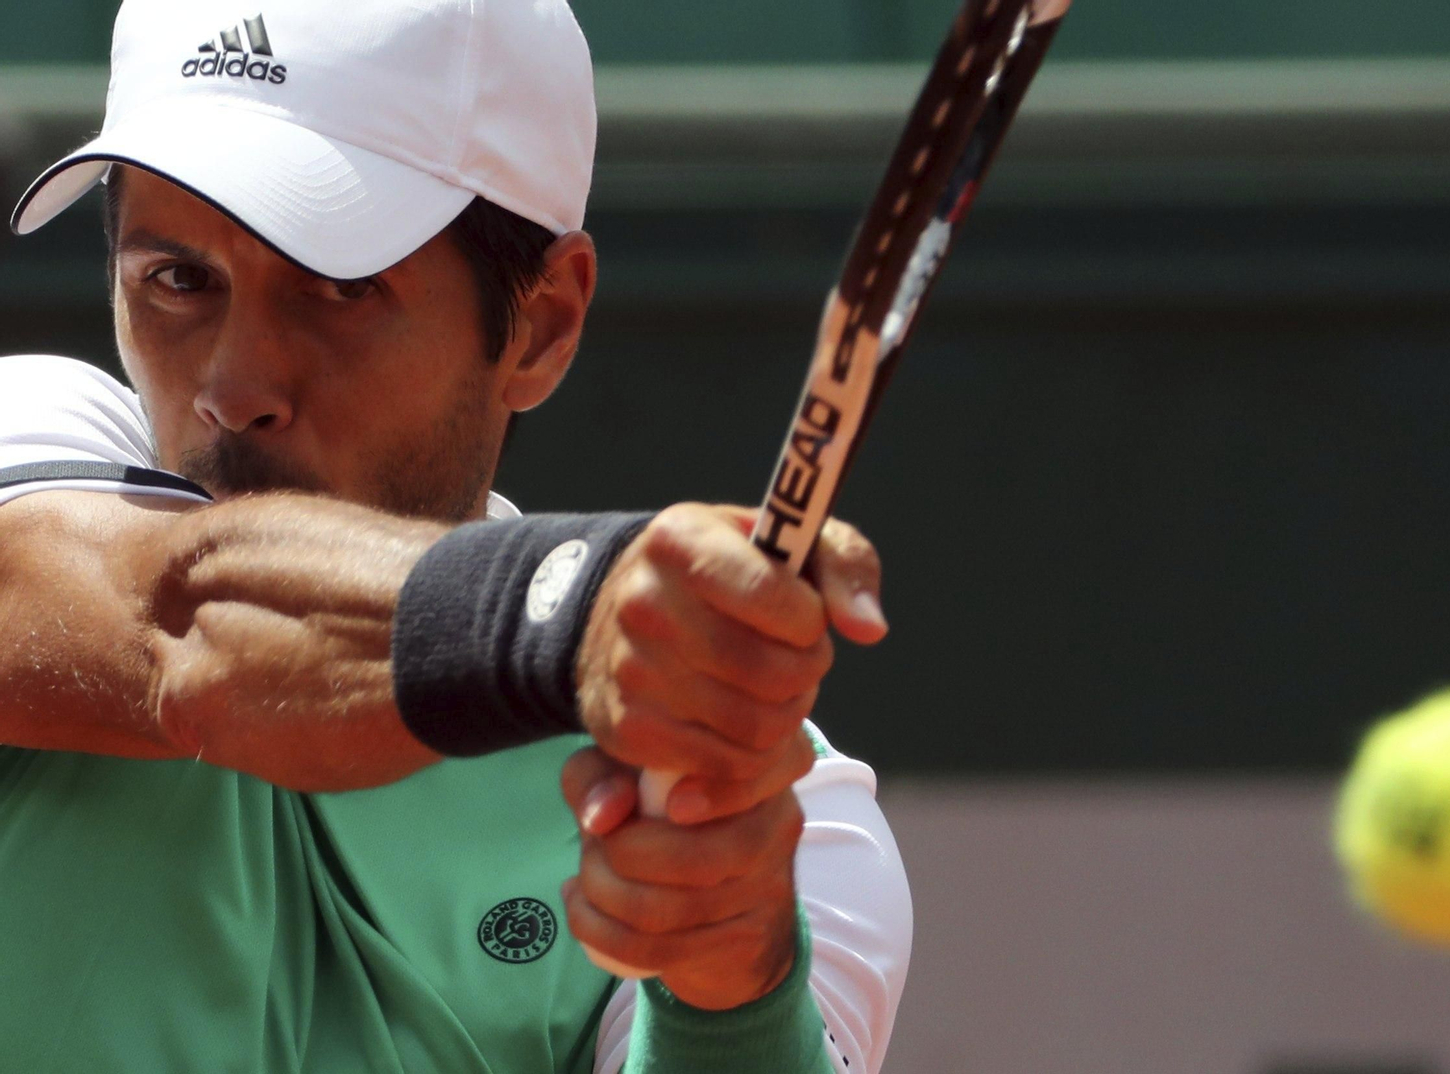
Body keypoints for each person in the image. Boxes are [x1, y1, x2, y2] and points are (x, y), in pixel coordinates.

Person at [0, 0, 912, 1071]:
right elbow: (180, 633)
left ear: (542, 323)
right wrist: (568, 611)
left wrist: (728, 994)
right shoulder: (34, 439)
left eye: (337, 287)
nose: (232, 386)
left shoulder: (799, 825)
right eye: (177, 280)